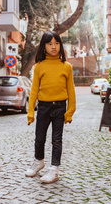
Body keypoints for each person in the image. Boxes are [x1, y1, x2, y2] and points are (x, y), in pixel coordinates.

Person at [25, 31, 76, 183]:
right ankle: (38, 161)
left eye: (56, 43)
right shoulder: (39, 67)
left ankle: (54, 169)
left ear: (60, 45)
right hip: (43, 107)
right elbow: (34, 90)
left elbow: (71, 90)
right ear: (44, 46)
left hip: (60, 107)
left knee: (57, 139)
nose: (53, 47)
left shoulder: (66, 66)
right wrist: (30, 112)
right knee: (39, 138)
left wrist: (70, 111)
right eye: (49, 44)